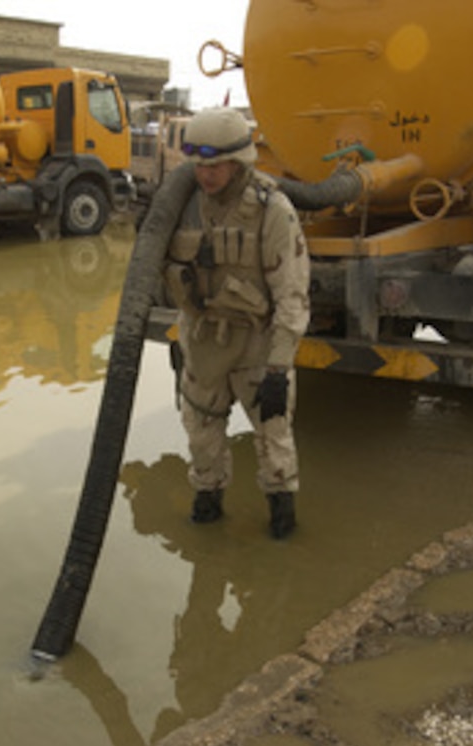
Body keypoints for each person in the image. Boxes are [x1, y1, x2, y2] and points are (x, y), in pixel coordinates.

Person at [163, 107, 310, 539]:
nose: (205, 174)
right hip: (203, 342)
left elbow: (292, 293)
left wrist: (279, 368)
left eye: (215, 164)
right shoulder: (181, 204)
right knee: (200, 437)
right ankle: (207, 512)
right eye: (199, 164)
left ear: (240, 160)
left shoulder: (272, 210)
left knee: (273, 440)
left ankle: (282, 522)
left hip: (256, 345)